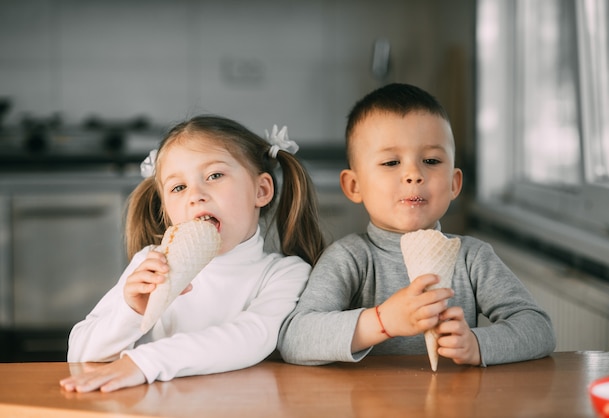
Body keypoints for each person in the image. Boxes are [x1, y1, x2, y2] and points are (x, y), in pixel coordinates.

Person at [278, 83, 556, 367]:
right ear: (354, 185)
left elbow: (539, 328)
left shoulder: (472, 257)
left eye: (431, 160)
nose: (413, 174)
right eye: (390, 162)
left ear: (454, 183)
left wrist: (477, 344)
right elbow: (296, 338)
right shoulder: (348, 258)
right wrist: (383, 321)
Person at [60, 115, 325, 392]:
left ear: (261, 190)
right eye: (178, 187)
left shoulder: (285, 273)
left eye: (214, 176)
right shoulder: (151, 262)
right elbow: (80, 354)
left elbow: (252, 337)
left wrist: (145, 362)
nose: (195, 195)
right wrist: (131, 312)